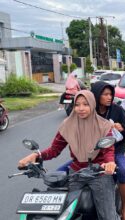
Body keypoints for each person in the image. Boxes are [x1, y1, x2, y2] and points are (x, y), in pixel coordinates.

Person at [18, 90, 118, 220]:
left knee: (107, 216)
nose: (80, 108)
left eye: (85, 104)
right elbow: (54, 150)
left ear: (92, 105)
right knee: (65, 213)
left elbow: (108, 149)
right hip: (76, 173)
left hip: (98, 173)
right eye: (77, 104)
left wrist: (110, 163)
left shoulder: (104, 125)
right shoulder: (68, 124)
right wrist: (36, 155)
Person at [91, 81, 125, 220]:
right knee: (68, 170)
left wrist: (122, 128)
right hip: (93, 152)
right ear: (96, 96)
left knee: (122, 171)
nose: (109, 97)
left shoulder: (117, 110)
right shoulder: (89, 110)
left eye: (111, 94)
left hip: (115, 150)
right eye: (105, 94)